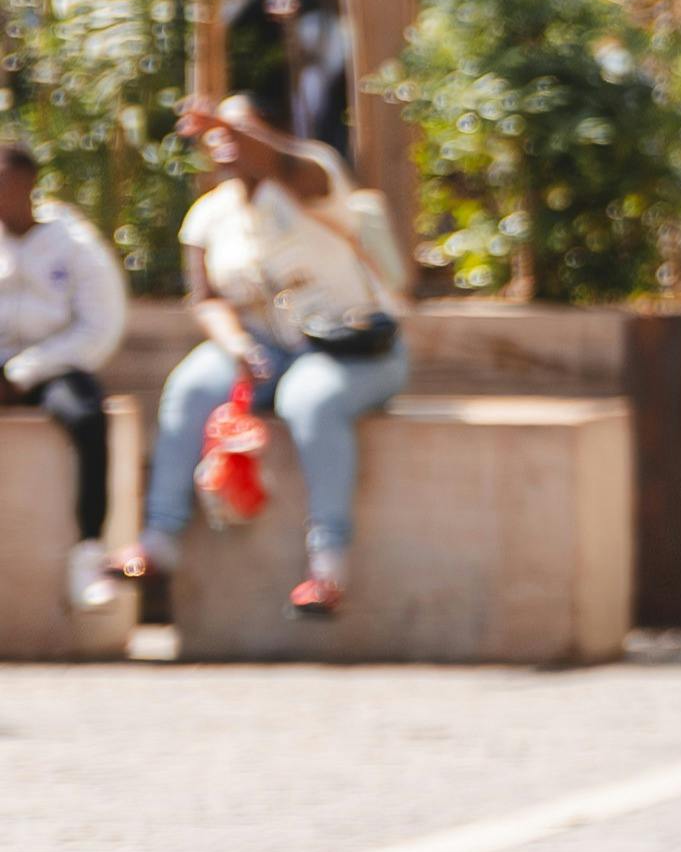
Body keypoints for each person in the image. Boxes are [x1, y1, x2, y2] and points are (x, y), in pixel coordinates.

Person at [118, 99, 408, 620]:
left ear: (269, 133)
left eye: (239, 131)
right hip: (265, 348)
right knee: (190, 385)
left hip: (353, 348)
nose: (226, 141)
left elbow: (283, 163)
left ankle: (328, 566)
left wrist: (226, 121)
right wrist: (236, 344)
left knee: (309, 399)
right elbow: (205, 298)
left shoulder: (313, 174)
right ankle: (158, 541)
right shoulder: (208, 214)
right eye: (217, 135)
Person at [0, 138, 127, 608]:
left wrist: (24, 372)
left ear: (27, 183)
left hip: (54, 368)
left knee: (88, 418)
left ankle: (89, 555)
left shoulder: (74, 244)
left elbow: (99, 328)